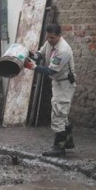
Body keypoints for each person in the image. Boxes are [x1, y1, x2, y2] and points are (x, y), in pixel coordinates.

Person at [24, 23, 77, 157]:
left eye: (52, 38)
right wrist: (30, 54)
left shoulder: (63, 50)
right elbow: (40, 54)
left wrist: (32, 67)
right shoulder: (50, 43)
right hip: (57, 82)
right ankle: (68, 140)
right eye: (48, 37)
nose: (49, 40)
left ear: (59, 36)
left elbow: (51, 70)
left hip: (64, 83)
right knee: (60, 111)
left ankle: (58, 147)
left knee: (58, 113)